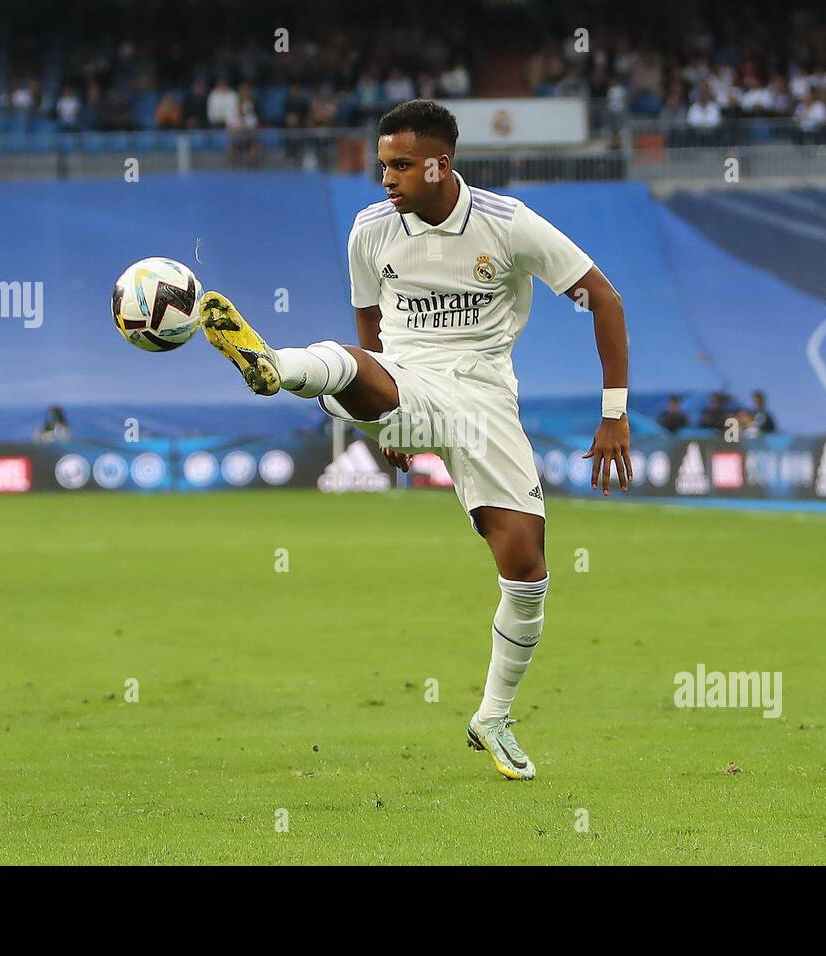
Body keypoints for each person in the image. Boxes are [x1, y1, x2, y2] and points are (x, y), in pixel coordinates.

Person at [194, 100, 631, 781]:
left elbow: (605, 297)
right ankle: (275, 365)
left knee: (527, 569)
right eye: (381, 164)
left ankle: (493, 714)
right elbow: (368, 328)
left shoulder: (508, 225)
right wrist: (382, 415)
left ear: (440, 163)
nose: (385, 178)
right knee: (342, 356)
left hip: (485, 399)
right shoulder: (369, 231)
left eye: (399, 165)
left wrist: (614, 415)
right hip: (409, 381)